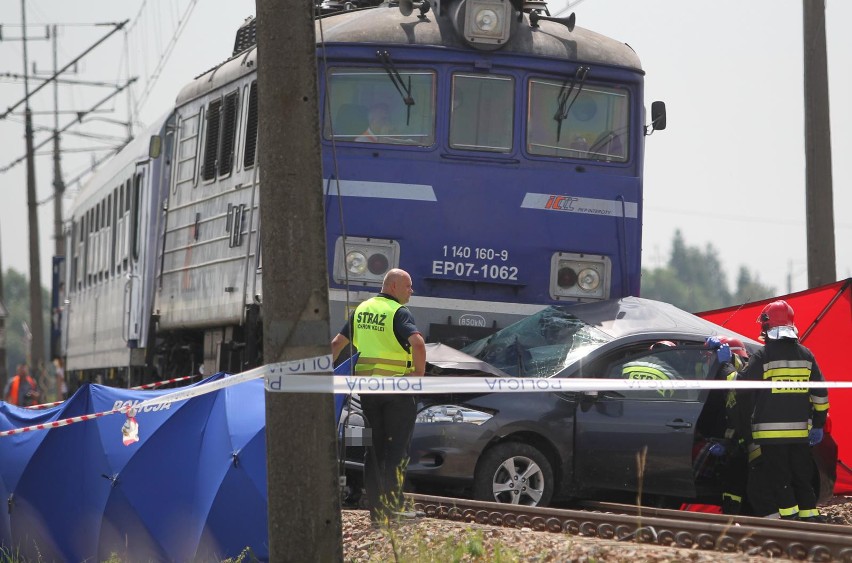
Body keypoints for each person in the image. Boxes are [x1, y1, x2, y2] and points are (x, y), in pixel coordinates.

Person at [331, 268, 426, 525]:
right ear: (394, 287)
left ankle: (376, 513)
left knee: (373, 450)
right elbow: (418, 343)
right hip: (397, 391)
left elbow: (336, 345)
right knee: (397, 450)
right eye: (408, 286)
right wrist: (419, 373)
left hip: (368, 392)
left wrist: (322, 375)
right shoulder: (398, 312)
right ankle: (393, 510)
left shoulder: (361, 309)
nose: (411, 291)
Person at [721, 300, 829, 522]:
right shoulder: (806, 355)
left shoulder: (763, 355)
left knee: (780, 478)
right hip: (800, 433)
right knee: (802, 476)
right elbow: (820, 393)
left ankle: (790, 521)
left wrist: (727, 366)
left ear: (766, 327)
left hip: (770, 436)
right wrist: (817, 424)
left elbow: (741, 385)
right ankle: (810, 518)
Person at [701, 336, 751, 515]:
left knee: (740, 481)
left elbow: (742, 416)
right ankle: (733, 515)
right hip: (735, 442)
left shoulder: (742, 377)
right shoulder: (720, 380)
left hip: (747, 442)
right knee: (733, 483)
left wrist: (727, 444)